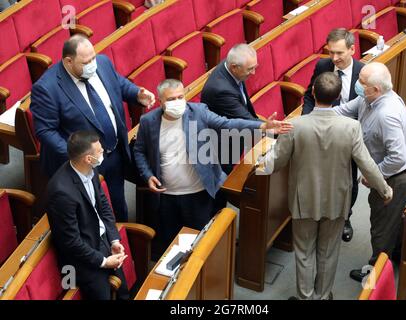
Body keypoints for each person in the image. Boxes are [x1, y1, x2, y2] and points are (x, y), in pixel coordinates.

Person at [262, 72, 393, 300]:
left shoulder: (294, 126)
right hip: (336, 200)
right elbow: (367, 164)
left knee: (304, 252)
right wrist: (384, 189)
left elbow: (276, 163)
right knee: (328, 252)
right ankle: (322, 296)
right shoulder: (351, 127)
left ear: (313, 92)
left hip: (304, 201)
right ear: (338, 96)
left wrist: (257, 162)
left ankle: (305, 297)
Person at [133, 79, 292, 254]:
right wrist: (147, 175)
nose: (177, 102)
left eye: (180, 97)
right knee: (172, 245)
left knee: (200, 246)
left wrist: (262, 126)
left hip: (198, 194)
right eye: (171, 99)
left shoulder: (199, 112)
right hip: (166, 196)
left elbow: (228, 124)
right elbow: (139, 151)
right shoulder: (148, 121)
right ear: (161, 101)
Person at [30, 34, 155, 222]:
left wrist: (136, 94)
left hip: (113, 153)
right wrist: (79, 156)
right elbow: (45, 132)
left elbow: (118, 84)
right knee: (92, 217)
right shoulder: (47, 88)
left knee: (118, 206)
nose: (92, 65)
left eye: (93, 58)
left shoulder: (102, 63)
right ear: (68, 61)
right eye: (86, 62)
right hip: (82, 165)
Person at [333, 62, 406, 282]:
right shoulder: (367, 97)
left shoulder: (386, 114)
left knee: (381, 227)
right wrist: (316, 117)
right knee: (391, 219)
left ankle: (375, 274)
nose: (357, 85)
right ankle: (396, 253)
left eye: (361, 82)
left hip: (395, 177)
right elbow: (343, 110)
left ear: (376, 89)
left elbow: (397, 158)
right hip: (392, 172)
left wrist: (374, 175)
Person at [46, 131, 129, 300]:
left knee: (124, 292)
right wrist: (104, 262)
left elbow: (104, 206)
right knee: (102, 296)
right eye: (100, 151)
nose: (103, 152)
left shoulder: (90, 169)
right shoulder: (61, 193)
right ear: (88, 159)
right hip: (81, 257)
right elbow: (71, 242)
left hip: (101, 238)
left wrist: (114, 239)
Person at [303, 28, 365, 242]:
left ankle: (345, 217)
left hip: (348, 138)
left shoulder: (363, 73)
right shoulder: (323, 66)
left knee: (348, 181)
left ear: (352, 49)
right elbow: (309, 95)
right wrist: (309, 120)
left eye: (339, 53)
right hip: (319, 134)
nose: (334, 58)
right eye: (331, 52)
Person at [201, 44, 260, 174]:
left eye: (254, 67)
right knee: (224, 181)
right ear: (234, 67)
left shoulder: (231, 68)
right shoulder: (221, 90)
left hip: (234, 136)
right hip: (222, 148)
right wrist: (273, 129)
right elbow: (243, 117)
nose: (253, 73)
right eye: (250, 69)